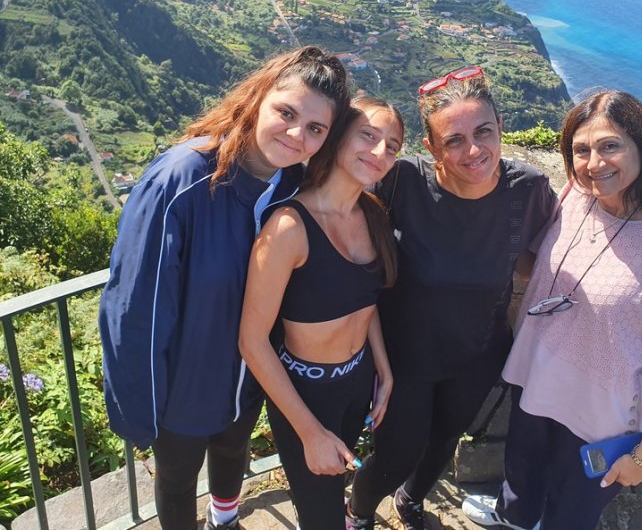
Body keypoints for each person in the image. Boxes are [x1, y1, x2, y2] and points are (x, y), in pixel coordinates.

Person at [98, 46, 351, 530]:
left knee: (233, 452)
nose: (297, 135)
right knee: (177, 481)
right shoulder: (182, 180)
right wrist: (140, 407)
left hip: (250, 378)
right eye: (286, 113)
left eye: (316, 128)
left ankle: (226, 519)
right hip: (181, 389)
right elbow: (134, 305)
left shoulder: (293, 187)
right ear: (258, 99)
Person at [462, 90, 642, 530]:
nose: (594, 163)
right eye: (581, 150)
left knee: (573, 510)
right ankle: (513, 519)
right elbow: (533, 265)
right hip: (536, 374)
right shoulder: (575, 196)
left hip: (602, 410)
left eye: (610, 146)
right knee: (522, 472)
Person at [346, 67, 557, 530]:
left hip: (478, 353)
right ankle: (358, 513)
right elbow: (339, 205)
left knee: (444, 440)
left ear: (501, 127)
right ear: (432, 148)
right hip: (404, 357)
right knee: (395, 455)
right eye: (454, 140)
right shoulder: (401, 181)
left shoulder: (528, 189)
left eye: (483, 131)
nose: (474, 149)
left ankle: (410, 500)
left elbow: (545, 257)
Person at [239, 95, 404, 530]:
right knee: (321, 515)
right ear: (337, 137)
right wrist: (310, 433)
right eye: (368, 136)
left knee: (335, 487)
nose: (380, 152)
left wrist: (383, 370)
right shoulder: (289, 227)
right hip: (306, 395)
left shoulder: (373, 215)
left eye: (392, 146)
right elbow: (252, 341)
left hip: (357, 381)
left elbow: (366, 302)